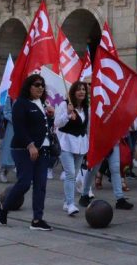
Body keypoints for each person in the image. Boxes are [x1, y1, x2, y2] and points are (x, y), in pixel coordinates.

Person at [0, 73, 54, 231]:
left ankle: (37, 219)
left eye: (42, 85)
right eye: (36, 84)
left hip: (43, 149)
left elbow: (43, 127)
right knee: (24, 183)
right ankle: (4, 207)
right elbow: (20, 128)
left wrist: (50, 116)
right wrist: (30, 145)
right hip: (23, 149)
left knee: (41, 185)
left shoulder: (43, 104)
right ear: (28, 87)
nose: (40, 87)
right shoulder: (20, 104)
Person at [56, 81, 89, 215]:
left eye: (83, 90)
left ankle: (66, 201)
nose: (81, 92)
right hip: (66, 144)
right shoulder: (65, 105)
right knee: (70, 174)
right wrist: (68, 114)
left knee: (74, 175)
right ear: (73, 92)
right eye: (78, 89)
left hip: (81, 145)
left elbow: (87, 127)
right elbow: (57, 123)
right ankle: (70, 204)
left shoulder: (86, 108)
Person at [0, 91, 15, 183]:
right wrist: (16, 120)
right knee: (9, 149)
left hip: (25, 127)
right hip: (12, 127)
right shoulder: (11, 97)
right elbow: (7, 112)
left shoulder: (29, 97)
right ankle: (4, 170)